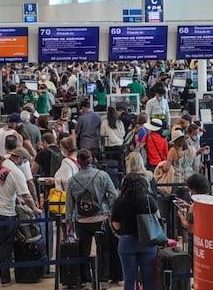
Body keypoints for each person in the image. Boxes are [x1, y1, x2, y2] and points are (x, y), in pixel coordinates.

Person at [0, 147, 41, 287]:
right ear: (19, 158)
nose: (23, 163)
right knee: (5, 247)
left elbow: (1, 188)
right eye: (24, 160)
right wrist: (34, 209)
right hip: (5, 214)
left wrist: (15, 198)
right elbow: (26, 196)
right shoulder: (16, 172)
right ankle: (5, 279)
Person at [66, 149, 118, 287]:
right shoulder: (102, 175)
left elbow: (69, 204)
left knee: (84, 250)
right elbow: (113, 195)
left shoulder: (72, 180)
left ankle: (85, 278)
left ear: (78, 162)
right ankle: (103, 278)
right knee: (104, 250)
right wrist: (110, 212)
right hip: (101, 217)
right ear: (91, 159)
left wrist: (69, 221)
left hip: (82, 220)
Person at [111, 173, 159, 290]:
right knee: (148, 280)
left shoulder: (119, 202)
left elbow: (116, 225)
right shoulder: (148, 200)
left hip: (127, 242)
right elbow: (157, 218)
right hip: (147, 241)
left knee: (129, 280)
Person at [101, 107, 126, 172]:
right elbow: (123, 133)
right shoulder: (119, 122)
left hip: (109, 146)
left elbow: (102, 133)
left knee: (110, 165)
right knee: (120, 163)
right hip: (119, 145)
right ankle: (120, 177)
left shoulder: (104, 122)